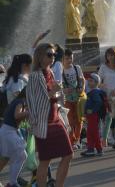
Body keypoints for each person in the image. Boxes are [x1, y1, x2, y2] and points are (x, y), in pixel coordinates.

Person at [27, 43, 73, 187]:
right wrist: (54, 92)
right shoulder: (35, 76)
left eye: (54, 55)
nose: (52, 57)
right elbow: (39, 102)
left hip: (55, 119)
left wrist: (60, 94)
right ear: (39, 56)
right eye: (49, 55)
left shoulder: (50, 73)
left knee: (68, 154)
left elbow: (54, 96)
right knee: (45, 161)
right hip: (43, 123)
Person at [0, 89, 28, 187]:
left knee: (13, 156)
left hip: (7, 130)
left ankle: (13, 182)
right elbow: (17, 115)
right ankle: (12, 183)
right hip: (8, 131)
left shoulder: (18, 101)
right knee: (21, 155)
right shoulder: (21, 102)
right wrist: (29, 112)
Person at [62, 49, 85, 150]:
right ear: (62, 59)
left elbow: (82, 79)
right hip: (67, 99)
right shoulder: (61, 70)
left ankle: (77, 140)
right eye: (66, 58)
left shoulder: (77, 68)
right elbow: (60, 86)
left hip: (78, 98)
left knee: (79, 120)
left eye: (70, 58)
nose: (69, 60)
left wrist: (82, 88)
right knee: (70, 121)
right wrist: (64, 90)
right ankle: (72, 141)